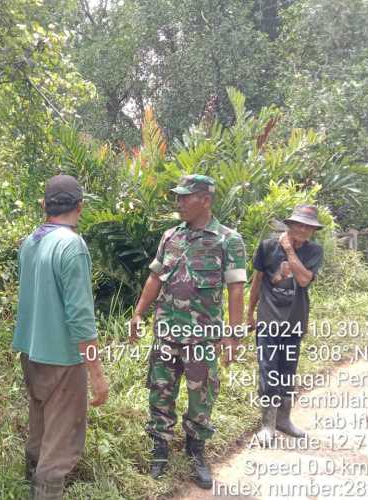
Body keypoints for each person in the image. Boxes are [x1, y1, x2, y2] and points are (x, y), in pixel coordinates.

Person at [130, 174, 246, 488]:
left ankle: (196, 450)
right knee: (160, 391)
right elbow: (156, 278)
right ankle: (160, 448)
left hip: (203, 338)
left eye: (185, 197)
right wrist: (139, 313)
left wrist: (233, 336)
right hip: (166, 332)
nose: (179, 202)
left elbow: (236, 289)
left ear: (205, 200)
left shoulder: (227, 240)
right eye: (178, 197)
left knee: (201, 397)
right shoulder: (170, 237)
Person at [13, 174, 109, 500]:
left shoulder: (31, 241)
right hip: (62, 359)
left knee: (40, 427)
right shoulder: (72, 245)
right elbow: (80, 317)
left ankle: (30, 482)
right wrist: (96, 373)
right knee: (62, 440)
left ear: (45, 206)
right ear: (79, 207)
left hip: (30, 350)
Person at [248, 204, 324, 446]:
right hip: (269, 320)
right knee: (269, 371)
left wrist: (290, 250)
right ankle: (267, 425)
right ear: (290, 224)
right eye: (298, 224)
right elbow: (258, 280)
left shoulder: (314, 251)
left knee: (287, 372)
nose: (302, 229)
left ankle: (284, 419)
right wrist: (250, 312)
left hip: (294, 321)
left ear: (312, 230)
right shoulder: (268, 246)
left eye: (308, 226)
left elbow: (303, 280)